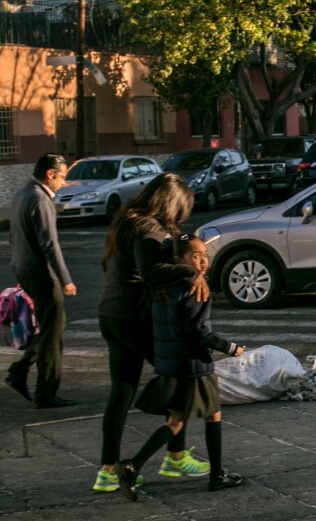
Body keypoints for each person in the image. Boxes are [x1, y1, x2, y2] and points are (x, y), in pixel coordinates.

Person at [94, 173, 211, 492]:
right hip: (134, 316)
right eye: (181, 210)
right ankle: (175, 456)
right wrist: (189, 272)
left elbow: (111, 267)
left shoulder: (126, 220)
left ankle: (107, 470)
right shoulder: (150, 228)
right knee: (183, 377)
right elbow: (149, 272)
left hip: (111, 313)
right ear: (171, 204)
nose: (181, 218)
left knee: (121, 391)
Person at [115, 234, 245, 501]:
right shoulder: (196, 287)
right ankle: (217, 476)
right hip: (194, 364)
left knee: (175, 421)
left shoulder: (161, 287)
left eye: (205, 255)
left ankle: (132, 466)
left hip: (171, 363)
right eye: (195, 256)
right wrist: (230, 347)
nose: (202, 261)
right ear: (178, 260)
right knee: (213, 415)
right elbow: (198, 330)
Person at [5, 153, 77, 408]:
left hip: (25, 270)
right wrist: (66, 279)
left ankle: (24, 373)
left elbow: (15, 236)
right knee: (53, 331)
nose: (63, 182)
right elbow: (50, 244)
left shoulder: (22, 193)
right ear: (50, 174)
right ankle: (40, 386)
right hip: (42, 274)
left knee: (53, 326)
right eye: (62, 177)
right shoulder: (40, 198)